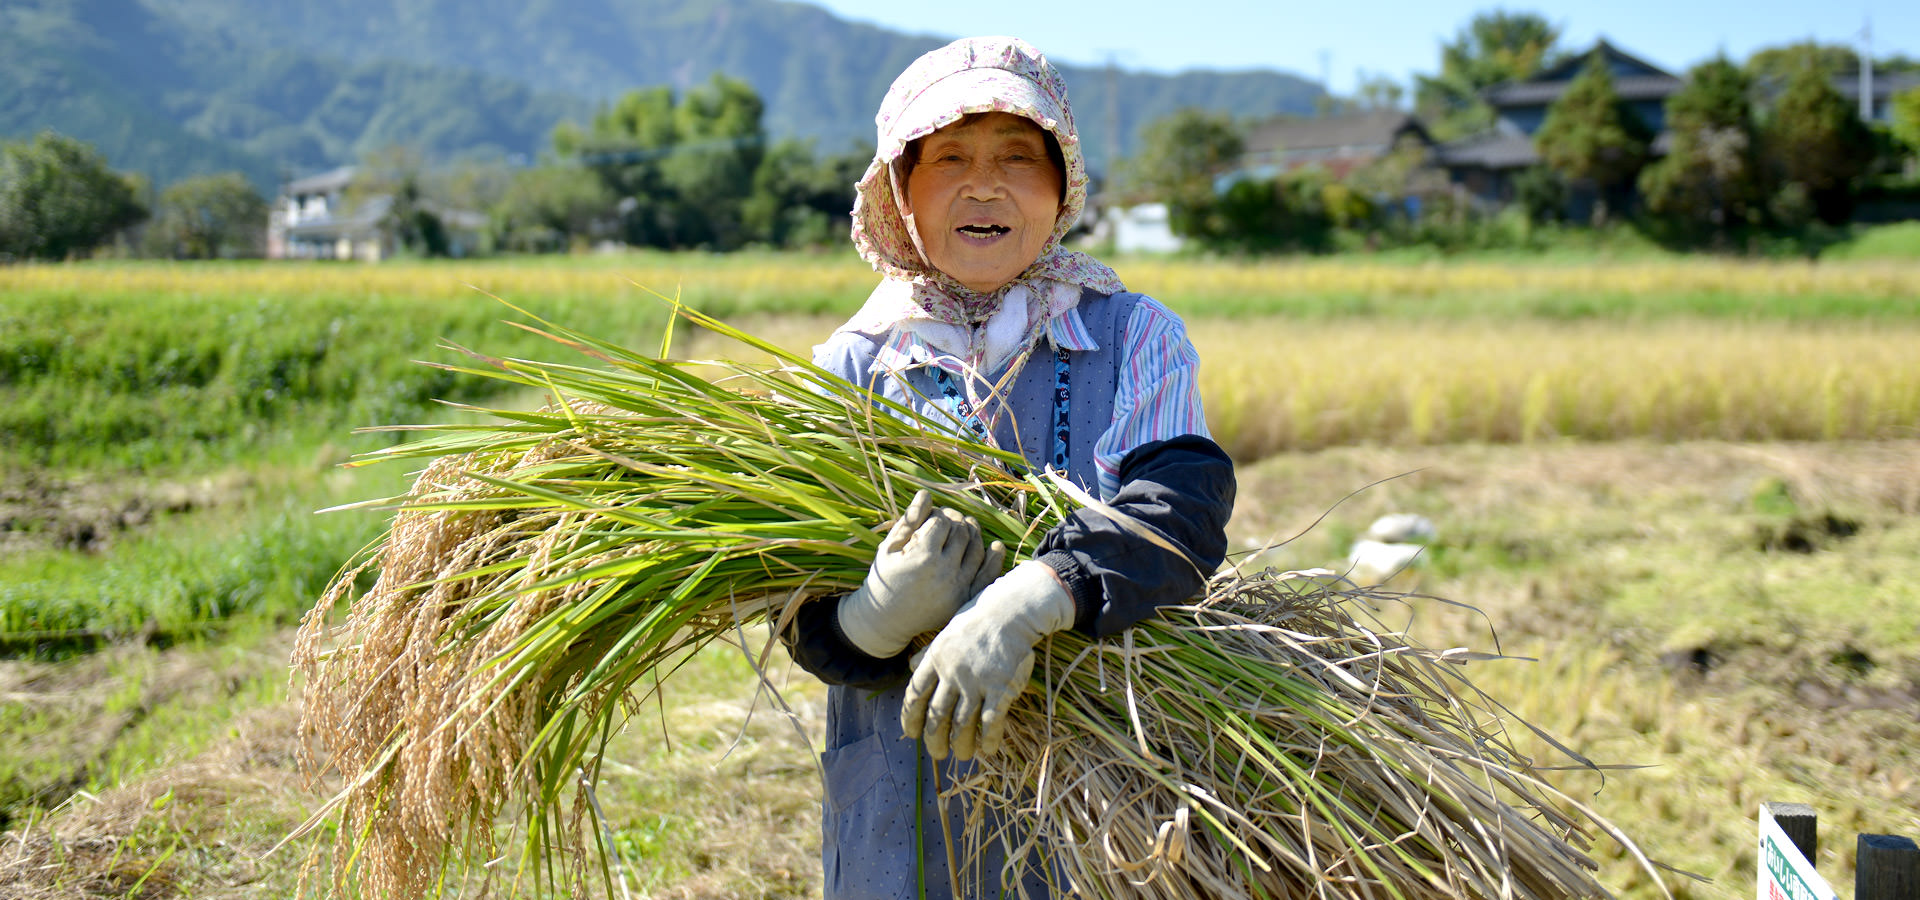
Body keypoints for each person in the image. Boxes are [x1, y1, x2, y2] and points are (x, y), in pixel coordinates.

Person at [782, 35, 1235, 900]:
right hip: (901, 798)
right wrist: (875, 617)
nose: (984, 183)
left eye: (1018, 157)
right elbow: (800, 616)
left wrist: (1033, 601)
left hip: (1106, 801)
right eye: (948, 155)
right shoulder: (849, 369)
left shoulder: (1132, 334)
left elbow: (1182, 512)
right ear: (899, 191)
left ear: (1061, 187)